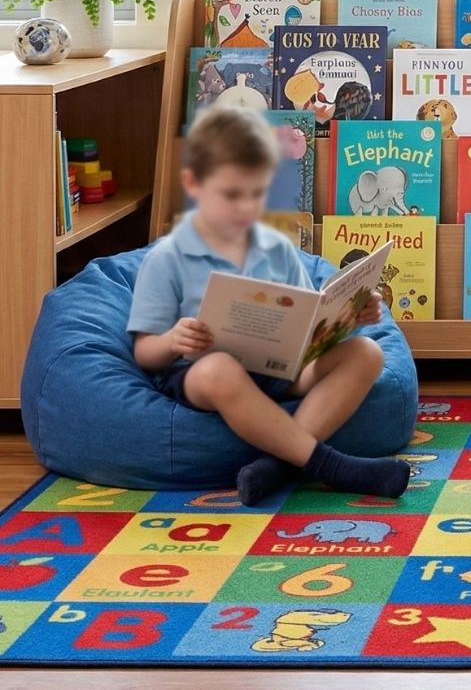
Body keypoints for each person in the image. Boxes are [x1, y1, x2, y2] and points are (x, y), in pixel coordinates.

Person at [129, 104, 409, 507]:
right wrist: (174, 339)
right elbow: (144, 352)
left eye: (256, 194)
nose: (245, 207)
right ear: (193, 184)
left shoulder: (277, 248)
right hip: (199, 373)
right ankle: (335, 468)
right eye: (230, 194)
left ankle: (276, 466)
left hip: (278, 368)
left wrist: (350, 317)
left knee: (368, 352)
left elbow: (306, 324)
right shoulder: (168, 258)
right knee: (219, 369)